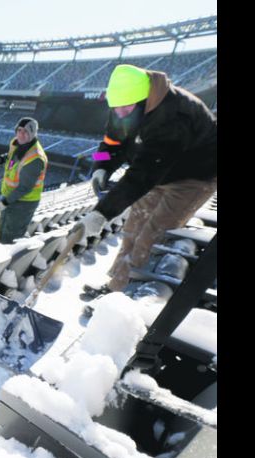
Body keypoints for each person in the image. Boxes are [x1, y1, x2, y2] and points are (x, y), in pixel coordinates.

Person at [79, 64, 217, 294]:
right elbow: (110, 143)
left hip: (195, 176)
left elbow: (143, 174)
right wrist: (101, 167)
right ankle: (114, 285)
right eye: (116, 109)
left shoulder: (174, 116)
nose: (120, 114)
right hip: (160, 170)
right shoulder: (123, 106)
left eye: (126, 109)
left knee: (151, 236)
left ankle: (123, 295)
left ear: (145, 101)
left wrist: (102, 212)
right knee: (133, 228)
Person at [0, 117, 48, 243]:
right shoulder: (17, 143)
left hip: (23, 203)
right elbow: (11, 156)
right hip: (10, 197)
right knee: (2, 229)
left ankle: (8, 259)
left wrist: (5, 202)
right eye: (19, 130)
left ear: (32, 133)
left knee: (10, 237)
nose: (21, 134)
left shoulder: (35, 158)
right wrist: (1, 159)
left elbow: (24, 187)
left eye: (25, 131)